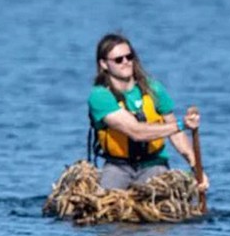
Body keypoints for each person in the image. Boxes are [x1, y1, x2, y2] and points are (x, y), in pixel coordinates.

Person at [88, 33, 209, 191]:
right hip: (118, 166)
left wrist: (196, 168)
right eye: (118, 59)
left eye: (129, 57)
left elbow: (176, 134)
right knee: (105, 203)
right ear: (104, 64)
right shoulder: (100, 96)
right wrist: (182, 124)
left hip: (154, 163)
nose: (126, 62)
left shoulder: (154, 89)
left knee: (156, 199)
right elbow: (135, 131)